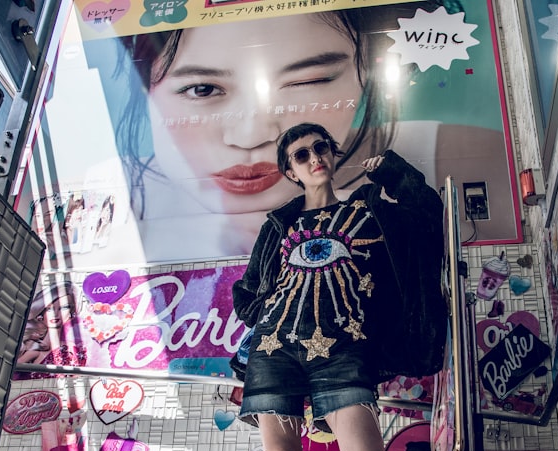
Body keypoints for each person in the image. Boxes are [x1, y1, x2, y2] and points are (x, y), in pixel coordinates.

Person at [231, 122, 445, 451]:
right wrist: (268, 312)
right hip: (278, 348)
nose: (313, 158)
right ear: (290, 170)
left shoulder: (369, 208)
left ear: (333, 151)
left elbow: (427, 213)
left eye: (320, 147)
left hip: (344, 348)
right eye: (300, 155)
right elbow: (251, 292)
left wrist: (392, 169)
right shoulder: (279, 224)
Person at [95, 0, 512, 262]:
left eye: (307, 82)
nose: (249, 135)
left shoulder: (456, 162)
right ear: (145, 88)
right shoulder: (105, 208)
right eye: (202, 89)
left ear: (365, 72)